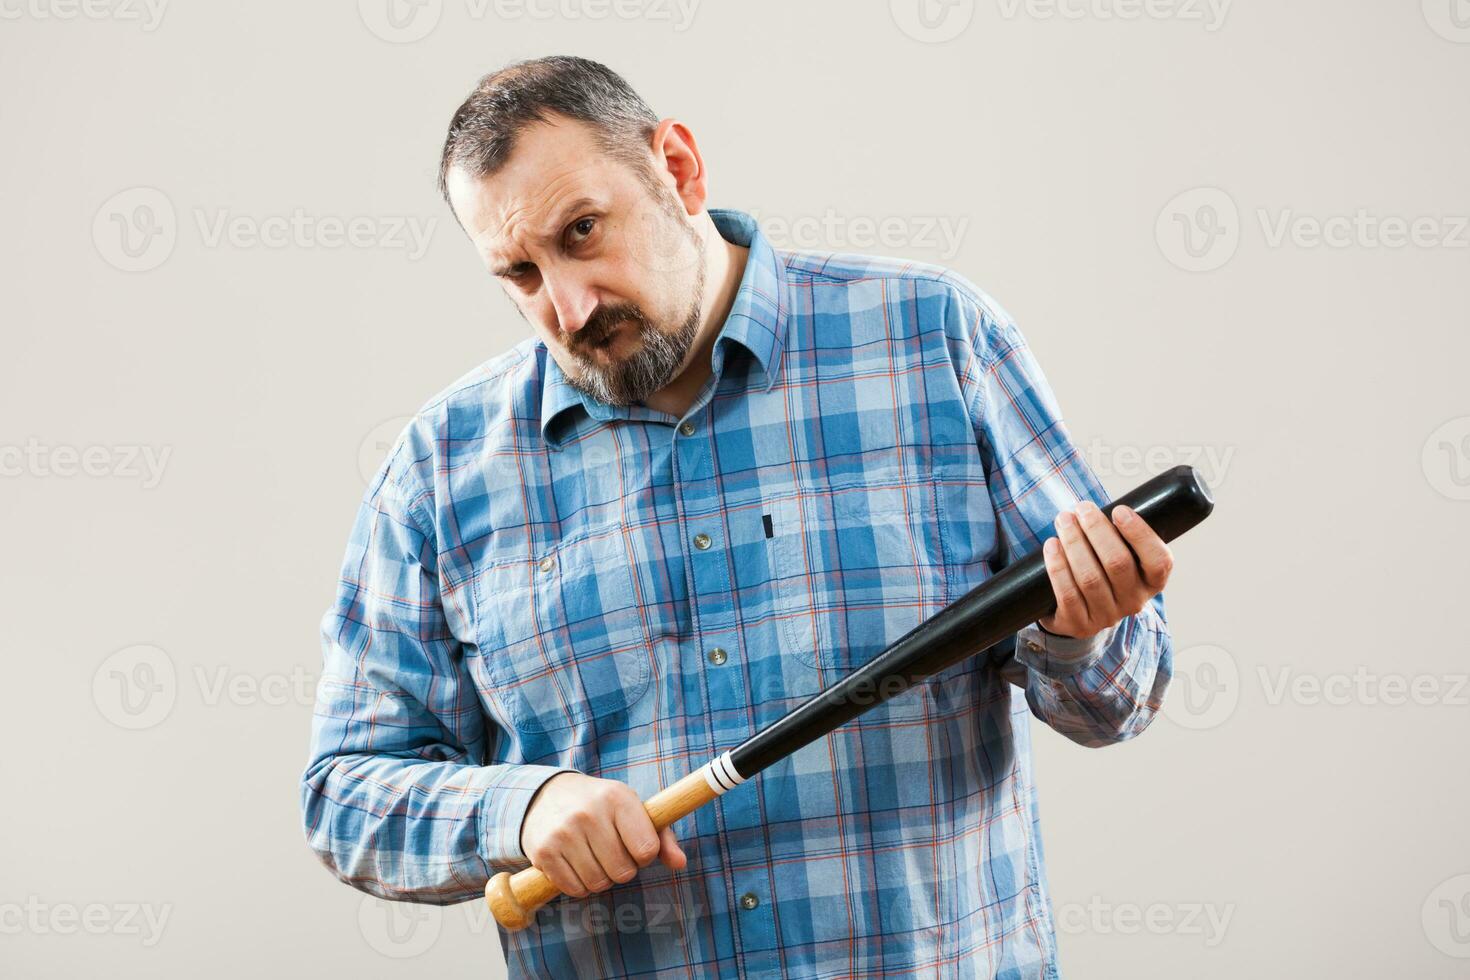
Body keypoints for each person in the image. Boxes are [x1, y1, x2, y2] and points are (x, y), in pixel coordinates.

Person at [300, 55, 1176, 979]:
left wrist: (1082, 634)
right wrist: (519, 809)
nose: (570, 306)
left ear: (676, 168)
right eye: (521, 272)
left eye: (584, 232)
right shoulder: (439, 470)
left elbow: (1116, 703)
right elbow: (346, 791)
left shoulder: (937, 342)